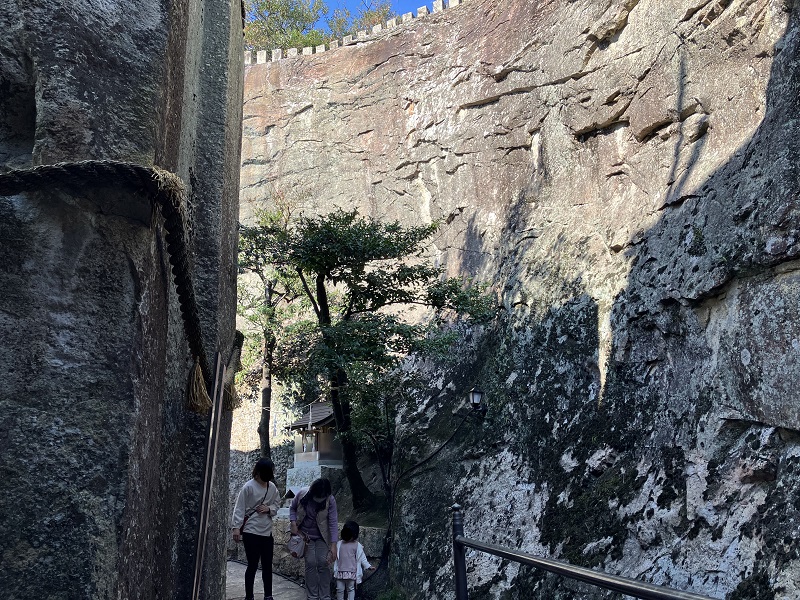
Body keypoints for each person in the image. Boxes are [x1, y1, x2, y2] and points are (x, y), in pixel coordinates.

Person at [231, 457, 281, 600]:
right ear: (258, 472)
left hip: (266, 532)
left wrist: (269, 508)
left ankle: (268, 595)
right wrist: (236, 527)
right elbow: (239, 508)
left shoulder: (272, 488)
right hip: (250, 531)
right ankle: (249, 596)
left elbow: (277, 505)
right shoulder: (248, 487)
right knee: (252, 565)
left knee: (267, 565)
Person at [290, 477, 338, 600]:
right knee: (310, 563)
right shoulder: (302, 494)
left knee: (323, 563)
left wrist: (333, 545)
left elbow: (333, 522)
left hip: (322, 536)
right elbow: (292, 508)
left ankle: (325, 596)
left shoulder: (330, 500)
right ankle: (312, 596)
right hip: (305, 536)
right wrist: (293, 522)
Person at [332, 520, 374, 600]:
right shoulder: (339, 544)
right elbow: (334, 554)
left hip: (352, 573)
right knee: (340, 589)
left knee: (351, 589)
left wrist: (368, 566)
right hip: (340, 572)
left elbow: (362, 557)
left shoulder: (357, 545)